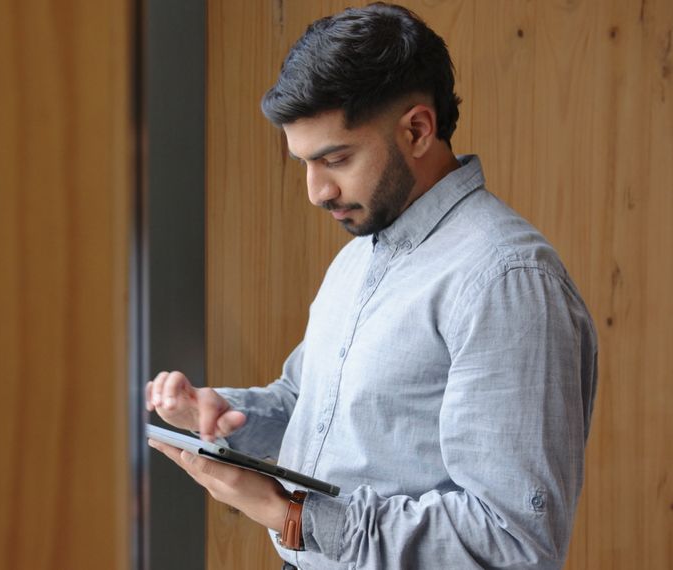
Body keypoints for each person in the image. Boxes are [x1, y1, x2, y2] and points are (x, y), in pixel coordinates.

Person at [145, 3, 598, 569]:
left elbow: (512, 542)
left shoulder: (506, 282)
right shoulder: (360, 257)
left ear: (416, 129)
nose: (316, 191)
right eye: (304, 163)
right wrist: (220, 415)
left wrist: (296, 517)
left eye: (335, 158)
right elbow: (311, 406)